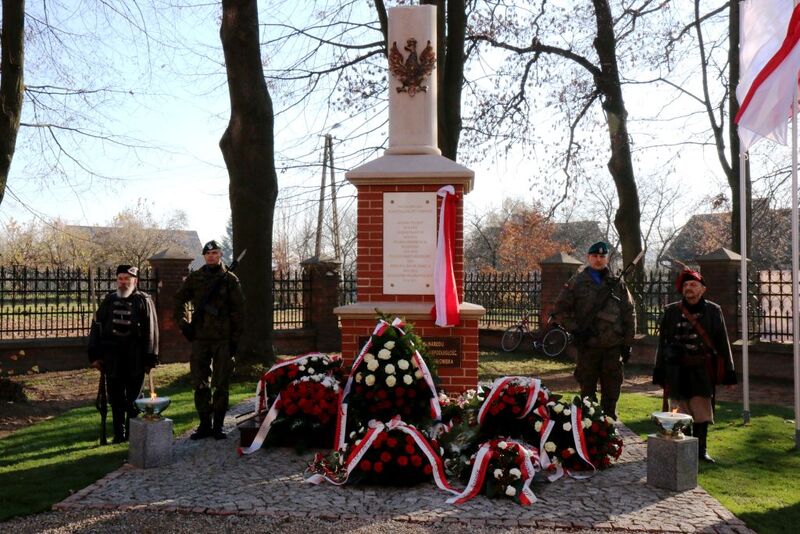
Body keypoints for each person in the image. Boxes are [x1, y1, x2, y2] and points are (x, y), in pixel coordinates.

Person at [652, 268, 737, 463]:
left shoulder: (713, 311)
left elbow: (722, 342)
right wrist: (660, 371)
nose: (689, 288)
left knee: (701, 411)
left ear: (702, 289)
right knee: (679, 411)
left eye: (693, 284)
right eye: (686, 285)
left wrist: (729, 373)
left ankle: (701, 450)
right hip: (676, 370)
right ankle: (684, 449)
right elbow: (662, 343)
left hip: (701, 370)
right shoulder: (671, 311)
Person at [554, 241, 636, 420]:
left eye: (602, 256)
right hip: (588, 347)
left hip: (612, 347)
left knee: (612, 392)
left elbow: (629, 313)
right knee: (587, 393)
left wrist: (627, 344)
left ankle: (610, 426)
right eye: (595, 256)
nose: (598, 260)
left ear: (606, 259)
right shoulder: (576, 282)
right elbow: (560, 311)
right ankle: (589, 428)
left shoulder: (617, 283)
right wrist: (576, 330)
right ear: (588, 257)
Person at [174, 240, 244, 440]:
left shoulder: (230, 279)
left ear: (220, 255)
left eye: (215, 253)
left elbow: (239, 311)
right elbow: (179, 299)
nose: (211, 256)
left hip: (223, 339)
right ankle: (205, 424)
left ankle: (218, 426)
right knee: (200, 382)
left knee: (221, 384)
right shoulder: (195, 278)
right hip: (200, 338)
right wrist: (184, 324)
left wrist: (235, 340)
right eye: (208, 254)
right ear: (204, 256)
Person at [88, 265, 159, 443]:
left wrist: (150, 358)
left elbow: (151, 331)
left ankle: (133, 434)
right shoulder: (109, 300)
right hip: (112, 357)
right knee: (115, 397)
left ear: (135, 281)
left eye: (127, 279)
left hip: (136, 357)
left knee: (134, 398)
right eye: (120, 279)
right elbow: (96, 327)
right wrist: (95, 355)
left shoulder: (144, 300)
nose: (123, 282)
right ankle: (119, 434)